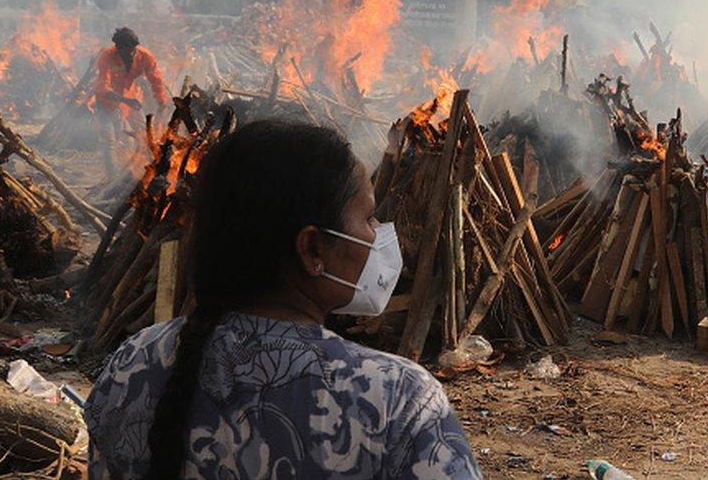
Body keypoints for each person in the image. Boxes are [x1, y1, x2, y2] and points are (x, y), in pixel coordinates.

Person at [84, 121, 482, 479]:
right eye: (368, 218)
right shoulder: (394, 399)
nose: (377, 235)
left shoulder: (132, 366)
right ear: (312, 249)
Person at [93, 26, 169, 177]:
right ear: (117, 47)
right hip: (106, 104)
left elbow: (156, 80)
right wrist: (124, 100)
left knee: (144, 134)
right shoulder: (106, 56)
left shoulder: (146, 56)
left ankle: (151, 169)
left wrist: (162, 101)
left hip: (131, 101)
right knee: (109, 140)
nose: (130, 54)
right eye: (125, 50)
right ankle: (112, 178)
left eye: (132, 49)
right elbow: (102, 86)